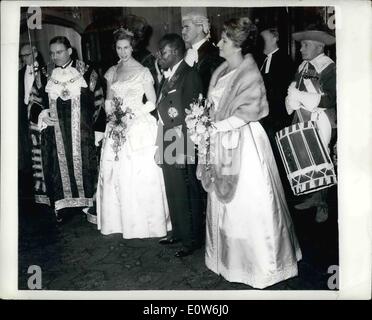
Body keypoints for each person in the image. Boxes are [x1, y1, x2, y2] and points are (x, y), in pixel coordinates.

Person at [197, 17, 302, 289]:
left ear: (237, 46)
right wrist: (202, 123)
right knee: (222, 200)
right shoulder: (220, 71)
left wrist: (214, 127)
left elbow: (248, 112)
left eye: (224, 41)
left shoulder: (249, 73)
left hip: (243, 141)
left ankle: (259, 266)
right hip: (220, 141)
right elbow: (211, 105)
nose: (219, 44)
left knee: (249, 201)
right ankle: (226, 259)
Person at [96, 27, 170, 239]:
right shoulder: (112, 71)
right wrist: (113, 117)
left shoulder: (142, 71)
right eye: (119, 48)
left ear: (132, 47)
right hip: (116, 125)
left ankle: (145, 223)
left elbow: (152, 102)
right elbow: (108, 100)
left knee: (138, 171)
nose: (122, 52)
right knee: (115, 171)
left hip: (137, 124)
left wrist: (129, 116)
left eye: (126, 47)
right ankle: (118, 221)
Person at [36, 36, 105, 223]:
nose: (55, 56)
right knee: (58, 169)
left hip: (82, 133)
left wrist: (98, 129)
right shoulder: (44, 73)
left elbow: (99, 100)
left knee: (86, 166)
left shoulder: (87, 71)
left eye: (59, 52)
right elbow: (35, 99)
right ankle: (62, 207)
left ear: (69, 51)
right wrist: (41, 112)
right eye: (52, 53)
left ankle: (86, 205)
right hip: (55, 133)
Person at [156, 33, 204, 258]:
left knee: (186, 189)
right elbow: (163, 111)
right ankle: (177, 231)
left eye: (163, 53)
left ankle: (191, 238)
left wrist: (185, 148)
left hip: (182, 139)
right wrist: (160, 143)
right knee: (172, 188)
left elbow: (192, 114)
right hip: (168, 136)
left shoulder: (189, 74)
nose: (159, 57)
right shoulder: (169, 76)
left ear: (175, 52)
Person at [285, 24, 336, 223]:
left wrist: (302, 97)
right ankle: (313, 195)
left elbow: (330, 99)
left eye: (305, 45)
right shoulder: (302, 67)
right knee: (307, 159)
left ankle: (323, 202)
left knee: (322, 160)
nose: (301, 48)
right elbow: (294, 88)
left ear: (318, 46)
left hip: (322, 119)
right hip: (303, 117)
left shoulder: (329, 67)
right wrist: (291, 99)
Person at [18, 43, 50, 209]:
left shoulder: (46, 71)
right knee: (27, 153)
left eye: (27, 54)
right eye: (22, 56)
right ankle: (32, 191)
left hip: (41, 118)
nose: (25, 58)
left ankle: (46, 189)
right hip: (24, 119)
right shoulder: (20, 74)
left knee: (42, 152)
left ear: (35, 53)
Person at [181, 9, 224, 97]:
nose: (183, 32)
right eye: (182, 28)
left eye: (187, 27)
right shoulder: (185, 53)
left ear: (199, 28)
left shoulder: (214, 53)